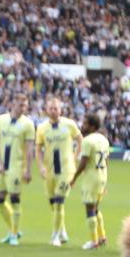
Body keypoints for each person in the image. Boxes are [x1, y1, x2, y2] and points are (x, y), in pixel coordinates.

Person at [35, 98, 82, 247]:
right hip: (49, 170)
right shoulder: (42, 128)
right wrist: (41, 166)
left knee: (59, 202)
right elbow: (38, 149)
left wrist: (75, 157)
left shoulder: (69, 124)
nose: (53, 111)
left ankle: (55, 236)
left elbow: (80, 139)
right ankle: (62, 230)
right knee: (52, 204)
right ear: (46, 110)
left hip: (66, 170)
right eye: (51, 108)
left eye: (56, 108)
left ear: (60, 110)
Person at [0, 94, 36, 246]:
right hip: (1, 167)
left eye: (25, 105)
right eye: (20, 104)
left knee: (15, 200)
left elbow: (30, 150)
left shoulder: (28, 124)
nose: (23, 107)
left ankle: (13, 234)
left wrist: (28, 170)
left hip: (17, 166)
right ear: (13, 103)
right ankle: (14, 229)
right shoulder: (0, 120)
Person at [70, 112, 110, 250]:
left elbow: (84, 162)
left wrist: (73, 178)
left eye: (85, 123)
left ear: (92, 126)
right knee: (96, 208)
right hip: (102, 176)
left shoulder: (87, 141)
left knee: (89, 209)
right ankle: (102, 236)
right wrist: (106, 180)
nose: (82, 125)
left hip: (92, 178)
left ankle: (93, 241)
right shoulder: (104, 140)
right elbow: (107, 161)